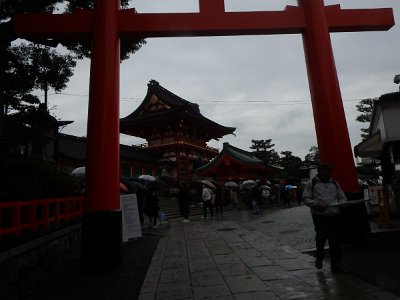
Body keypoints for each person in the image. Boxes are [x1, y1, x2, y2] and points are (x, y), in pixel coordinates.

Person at [302, 163, 347, 272]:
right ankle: (319, 257)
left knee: (335, 240)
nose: (328, 172)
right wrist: (316, 204)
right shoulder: (311, 183)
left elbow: (342, 196)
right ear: (320, 171)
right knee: (321, 237)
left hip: (334, 214)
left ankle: (336, 265)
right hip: (320, 215)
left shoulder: (334, 183)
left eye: (329, 170)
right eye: (326, 170)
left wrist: (342, 203)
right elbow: (305, 198)